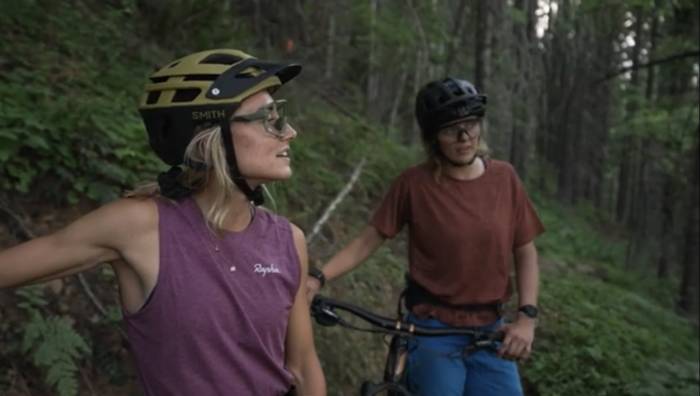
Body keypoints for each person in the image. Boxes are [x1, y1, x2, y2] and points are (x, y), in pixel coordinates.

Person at [0, 48, 326, 396]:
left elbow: (303, 368)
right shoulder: (141, 226)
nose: (288, 132)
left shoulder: (289, 241)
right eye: (269, 119)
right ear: (209, 133)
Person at [306, 77, 544, 396]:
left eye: (470, 124)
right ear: (433, 138)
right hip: (432, 330)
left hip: (489, 331)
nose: (464, 137)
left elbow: (525, 250)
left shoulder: (505, 178)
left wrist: (526, 318)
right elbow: (370, 238)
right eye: (450, 130)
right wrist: (318, 278)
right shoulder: (413, 185)